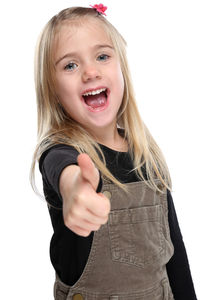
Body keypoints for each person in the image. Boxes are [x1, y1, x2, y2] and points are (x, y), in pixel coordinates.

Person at [30, 4, 197, 300]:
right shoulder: (60, 153)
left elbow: (175, 256)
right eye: (70, 65)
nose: (90, 72)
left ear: (121, 68)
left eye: (102, 56)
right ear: (53, 90)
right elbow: (64, 172)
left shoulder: (147, 153)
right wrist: (74, 192)